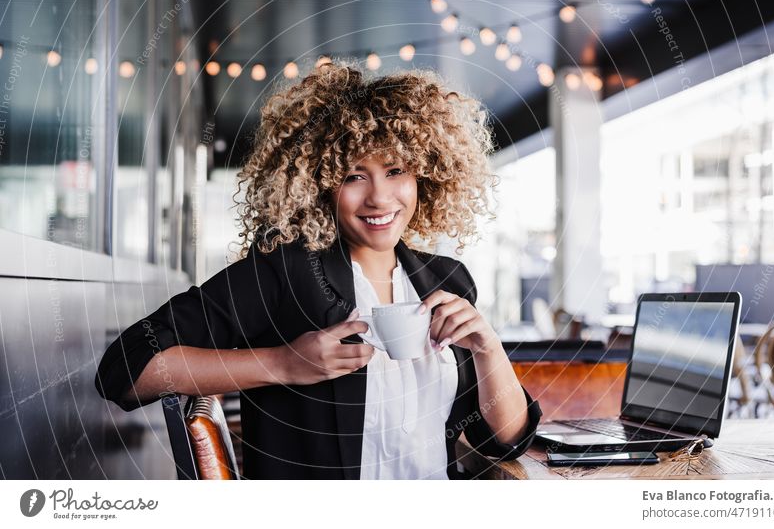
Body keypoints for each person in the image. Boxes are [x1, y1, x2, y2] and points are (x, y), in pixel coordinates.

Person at [95, 61, 542, 479]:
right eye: (353, 176)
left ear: (425, 175)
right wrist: (283, 363)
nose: (380, 198)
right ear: (319, 184)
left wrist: (487, 348)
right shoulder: (282, 274)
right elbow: (125, 370)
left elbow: (503, 442)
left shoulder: (447, 279)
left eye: (395, 170)